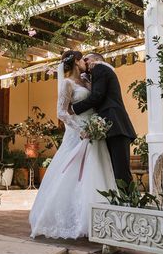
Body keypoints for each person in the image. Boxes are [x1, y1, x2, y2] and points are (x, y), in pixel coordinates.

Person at [29, 50, 117, 239]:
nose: (86, 62)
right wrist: (80, 130)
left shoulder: (87, 81)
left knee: (96, 171)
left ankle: (99, 219)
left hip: (94, 131)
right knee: (71, 173)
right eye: (83, 59)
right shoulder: (67, 83)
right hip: (78, 132)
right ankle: (70, 219)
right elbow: (61, 112)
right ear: (77, 62)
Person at [71, 53, 135, 184]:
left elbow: (97, 96)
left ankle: (127, 203)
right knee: (113, 170)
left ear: (96, 60)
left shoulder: (100, 68)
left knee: (121, 171)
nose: (84, 61)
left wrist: (73, 108)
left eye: (86, 59)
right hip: (110, 127)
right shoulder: (94, 75)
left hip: (116, 125)